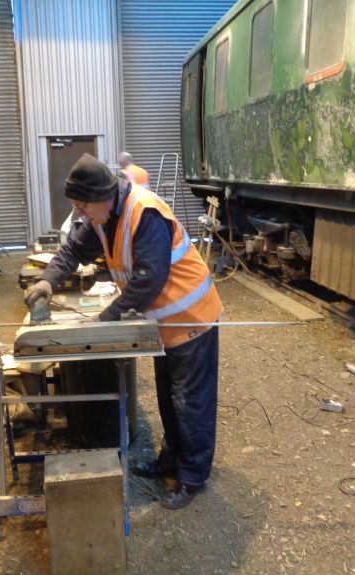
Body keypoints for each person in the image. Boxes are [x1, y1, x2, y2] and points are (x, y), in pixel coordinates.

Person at [24, 153, 222, 509]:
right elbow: (72, 250)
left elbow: (149, 278)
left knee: (189, 402)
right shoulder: (103, 216)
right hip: (165, 323)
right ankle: (170, 461)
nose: (80, 213)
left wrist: (104, 320)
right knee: (168, 397)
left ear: (102, 195)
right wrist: (47, 281)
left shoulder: (144, 213)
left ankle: (192, 477)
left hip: (192, 318)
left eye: (81, 205)